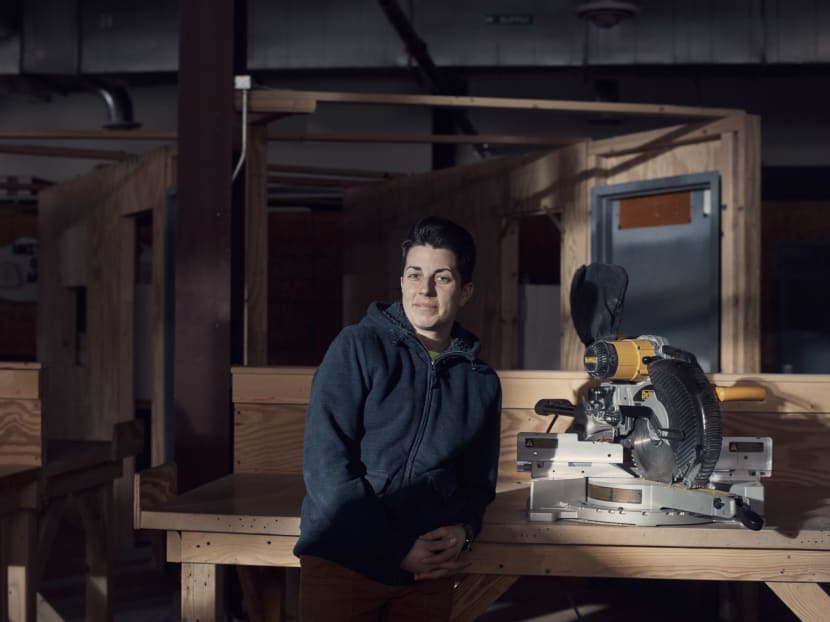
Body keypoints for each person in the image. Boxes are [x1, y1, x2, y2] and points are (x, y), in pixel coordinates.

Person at [294, 216, 503, 621]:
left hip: (426, 575)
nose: (424, 290)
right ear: (403, 281)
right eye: (414, 275)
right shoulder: (356, 347)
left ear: (466, 291)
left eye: (441, 278)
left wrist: (465, 529)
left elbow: (479, 483)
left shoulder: (481, 383)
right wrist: (396, 550)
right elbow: (326, 468)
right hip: (343, 561)